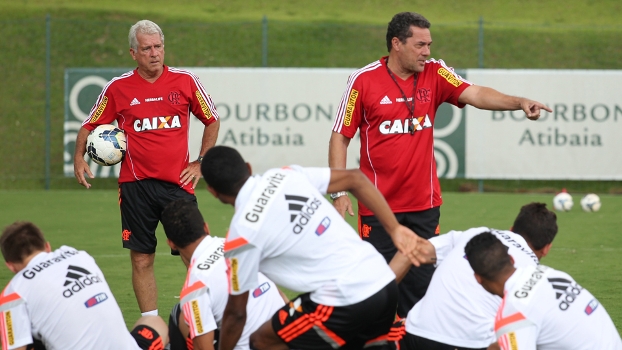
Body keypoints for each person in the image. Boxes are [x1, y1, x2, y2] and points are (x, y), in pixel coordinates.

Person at [328, 11, 553, 317]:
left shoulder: (435, 72)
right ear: (397, 43)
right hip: (378, 208)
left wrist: (519, 102)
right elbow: (341, 136)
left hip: (423, 206)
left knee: (421, 295)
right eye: (420, 45)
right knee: (377, 292)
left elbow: (475, 93)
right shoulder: (363, 80)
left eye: (429, 44)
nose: (427, 52)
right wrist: (339, 193)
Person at [200, 145, 432, 350]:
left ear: (212, 191)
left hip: (344, 301)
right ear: (248, 167)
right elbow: (355, 178)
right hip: (384, 282)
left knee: (263, 341)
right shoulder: (286, 175)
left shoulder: (241, 236)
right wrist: (394, 229)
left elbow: (236, 313)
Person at [73, 19, 220, 317]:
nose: (154, 53)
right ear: (133, 53)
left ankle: (209, 313)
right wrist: (79, 157)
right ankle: (151, 326)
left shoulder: (185, 81)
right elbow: (88, 126)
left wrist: (201, 162)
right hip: (135, 187)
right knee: (142, 259)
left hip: (178, 185)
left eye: (158, 47)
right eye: (146, 48)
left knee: (194, 253)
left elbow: (212, 120)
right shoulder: (118, 88)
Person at [392, 203, 558, 350]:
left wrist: (380, 295)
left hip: (421, 335)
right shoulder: (536, 276)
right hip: (475, 344)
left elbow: (414, 250)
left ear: (511, 228)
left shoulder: (477, 233)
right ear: (546, 248)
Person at [0, 221, 170, 350]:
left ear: (10, 265)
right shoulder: (78, 255)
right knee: (154, 321)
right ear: (47, 246)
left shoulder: (13, 293)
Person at [159, 198, 286, 350]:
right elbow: (279, 294)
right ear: (206, 227)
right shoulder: (238, 244)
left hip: (251, 343)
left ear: (171, 243)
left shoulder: (194, 288)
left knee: (178, 313)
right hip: (287, 337)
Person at [465, 232, 622, 350]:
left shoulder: (512, 311)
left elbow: (515, 327)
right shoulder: (550, 273)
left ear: (478, 278)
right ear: (512, 259)